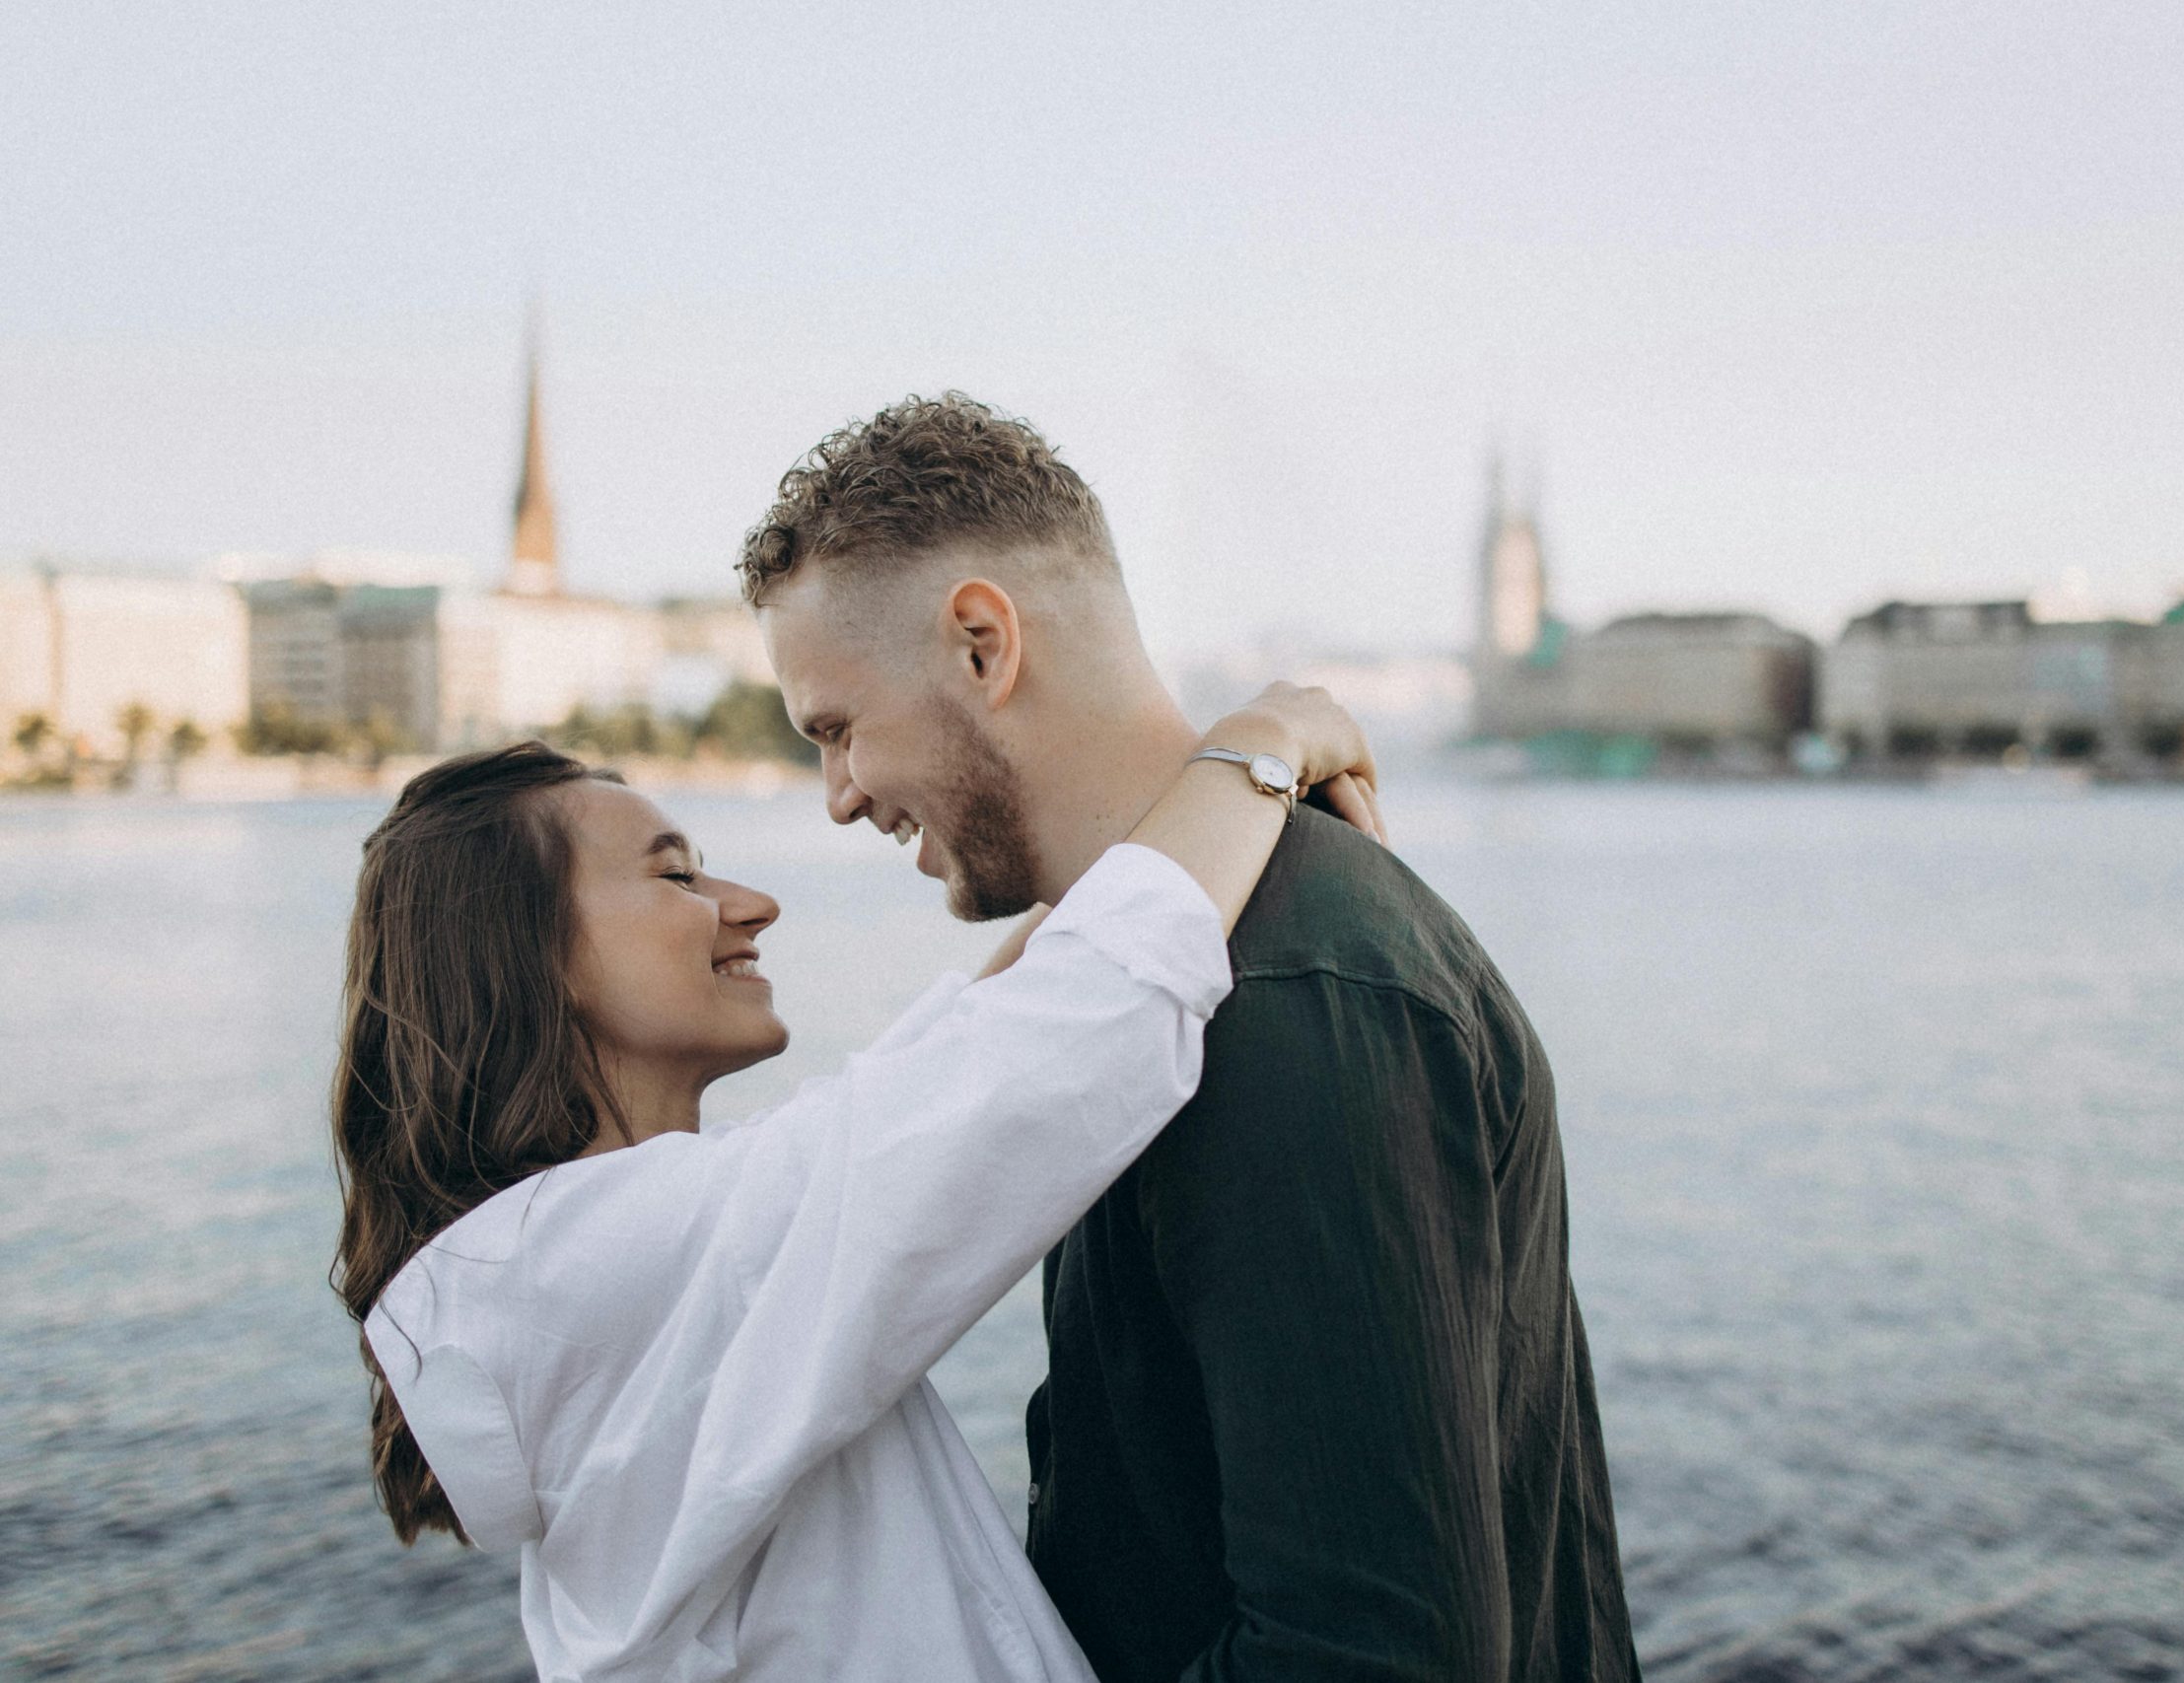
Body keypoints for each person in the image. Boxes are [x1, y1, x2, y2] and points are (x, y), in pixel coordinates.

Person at [741, 393, 1640, 1681]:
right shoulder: (1135, 986)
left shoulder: (1280, 997)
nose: (838, 796)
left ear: (983, 646)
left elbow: (1370, 1657)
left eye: (835, 728)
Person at [330, 678, 1380, 1683]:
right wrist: (1262, 745)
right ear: (529, 954)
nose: (753, 902)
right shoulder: (601, 1265)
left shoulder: (591, 1264)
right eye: (677, 876)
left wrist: (1180, 810)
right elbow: (1057, 1043)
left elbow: (959, 1057)